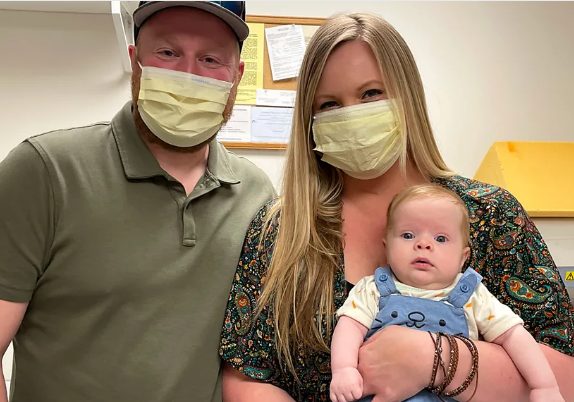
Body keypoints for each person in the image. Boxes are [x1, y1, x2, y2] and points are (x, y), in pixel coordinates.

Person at [219, 11, 574, 402]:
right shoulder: (281, 230)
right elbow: (249, 375)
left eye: (371, 94)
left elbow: (565, 377)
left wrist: (434, 359)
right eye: (330, 104)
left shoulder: (490, 214)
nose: (352, 114)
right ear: (310, 119)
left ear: (407, 96)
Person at [0, 2, 275, 402]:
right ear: (136, 61)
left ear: (236, 76)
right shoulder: (45, 172)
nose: (187, 74)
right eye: (167, 52)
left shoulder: (257, 195)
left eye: (211, 59)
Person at [330, 184, 564, 402]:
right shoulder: (373, 289)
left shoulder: (474, 296)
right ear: (386, 247)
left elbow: (514, 335)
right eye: (408, 235)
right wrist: (344, 370)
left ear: (463, 257)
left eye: (440, 238)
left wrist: (544, 386)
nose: (423, 244)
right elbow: (350, 326)